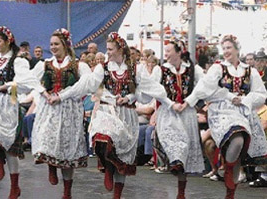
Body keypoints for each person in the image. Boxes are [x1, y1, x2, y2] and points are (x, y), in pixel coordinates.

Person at [49, 32, 171, 199]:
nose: (108, 53)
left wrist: (128, 97)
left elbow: (145, 90)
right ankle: (107, 166)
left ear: (120, 49)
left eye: (111, 49)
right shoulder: (103, 68)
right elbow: (86, 85)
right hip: (107, 111)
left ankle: (117, 194)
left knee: (122, 156)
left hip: (126, 114)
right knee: (102, 137)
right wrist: (62, 96)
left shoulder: (135, 69)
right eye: (107, 49)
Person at [183, 35, 267, 199]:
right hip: (222, 112)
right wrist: (189, 102)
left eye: (229, 47)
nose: (226, 51)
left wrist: (244, 99)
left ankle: (230, 191)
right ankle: (227, 168)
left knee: (238, 146)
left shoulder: (250, 71)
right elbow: (204, 88)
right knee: (237, 139)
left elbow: (261, 94)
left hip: (243, 110)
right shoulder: (218, 68)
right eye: (224, 48)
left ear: (237, 49)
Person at [0, 26, 46, 199]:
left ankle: (15, 187)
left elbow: (25, 81)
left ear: (8, 41)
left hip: (8, 103)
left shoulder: (17, 60)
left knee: (9, 147)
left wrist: (4, 86)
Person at [31, 28, 99, 199]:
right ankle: (51, 166)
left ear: (65, 45)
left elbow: (86, 84)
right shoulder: (45, 64)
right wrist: (44, 93)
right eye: (51, 44)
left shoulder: (79, 65)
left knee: (67, 147)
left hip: (70, 108)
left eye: (56, 44)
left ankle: (67, 191)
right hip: (50, 107)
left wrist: (64, 95)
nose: (53, 47)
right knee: (47, 136)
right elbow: (31, 79)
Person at [154, 40, 205, 199]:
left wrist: (188, 102)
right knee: (172, 139)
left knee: (185, 153)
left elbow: (203, 87)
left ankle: (181, 193)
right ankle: (174, 162)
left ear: (178, 52)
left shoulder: (193, 69)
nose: (166, 54)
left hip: (186, 113)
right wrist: (170, 104)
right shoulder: (160, 69)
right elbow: (154, 89)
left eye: (168, 51)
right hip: (168, 112)